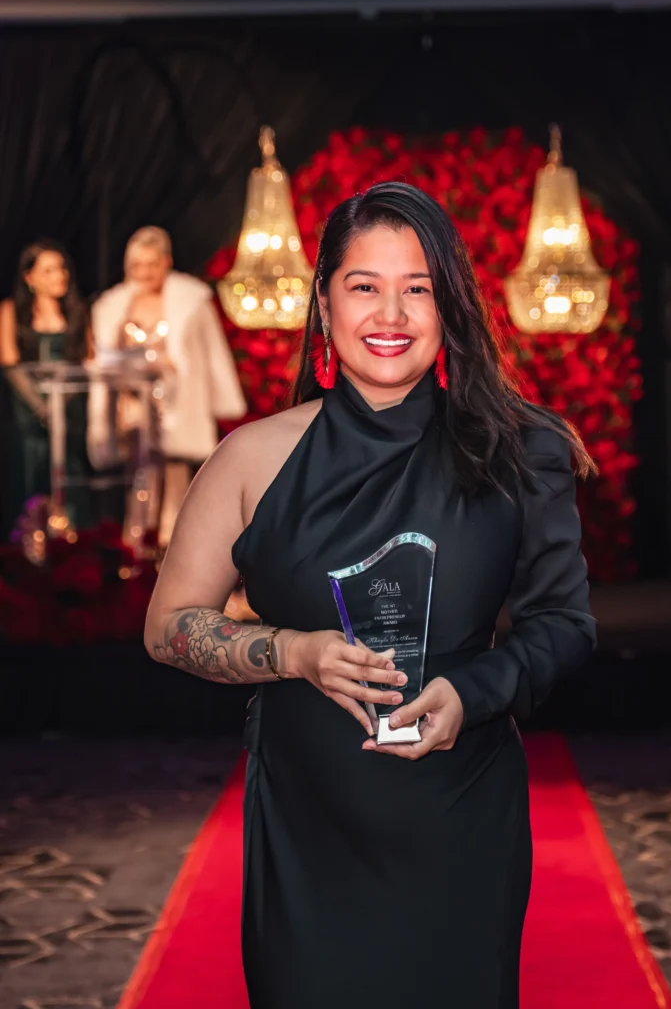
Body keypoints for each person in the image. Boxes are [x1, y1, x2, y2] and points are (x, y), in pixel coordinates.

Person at [144, 182, 597, 1008]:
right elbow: (168, 626)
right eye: (364, 286)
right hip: (308, 825)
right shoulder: (252, 459)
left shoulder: (523, 449)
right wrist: (292, 652)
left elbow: (563, 625)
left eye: (416, 288)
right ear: (323, 300)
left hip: (460, 820)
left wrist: (472, 690)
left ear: (447, 304)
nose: (390, 313)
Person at [88, 226, 247, 545]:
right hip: (133, 403)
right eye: (137, 265)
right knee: (140, 476)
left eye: (151, 264)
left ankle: (170, 550)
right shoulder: (113, 306)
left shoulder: (191, 302)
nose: (144, 272)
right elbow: (105, 353)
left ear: (166, 262)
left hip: (175, 401)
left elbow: (212, 353)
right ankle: (134, 547)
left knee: (175, 479)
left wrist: (221, 399)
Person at [0, 239, 91, 537]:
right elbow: (10, 364)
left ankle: (72, 546)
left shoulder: (77, 313)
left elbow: (87, 363)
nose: (59, 276)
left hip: (69, 413)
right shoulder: (12, 311)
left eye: (62, 269)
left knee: (69, 477)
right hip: (28, 416)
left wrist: (59, 403)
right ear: (30, 278)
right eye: (49, 270)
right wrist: (41, 407)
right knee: (29, 476)